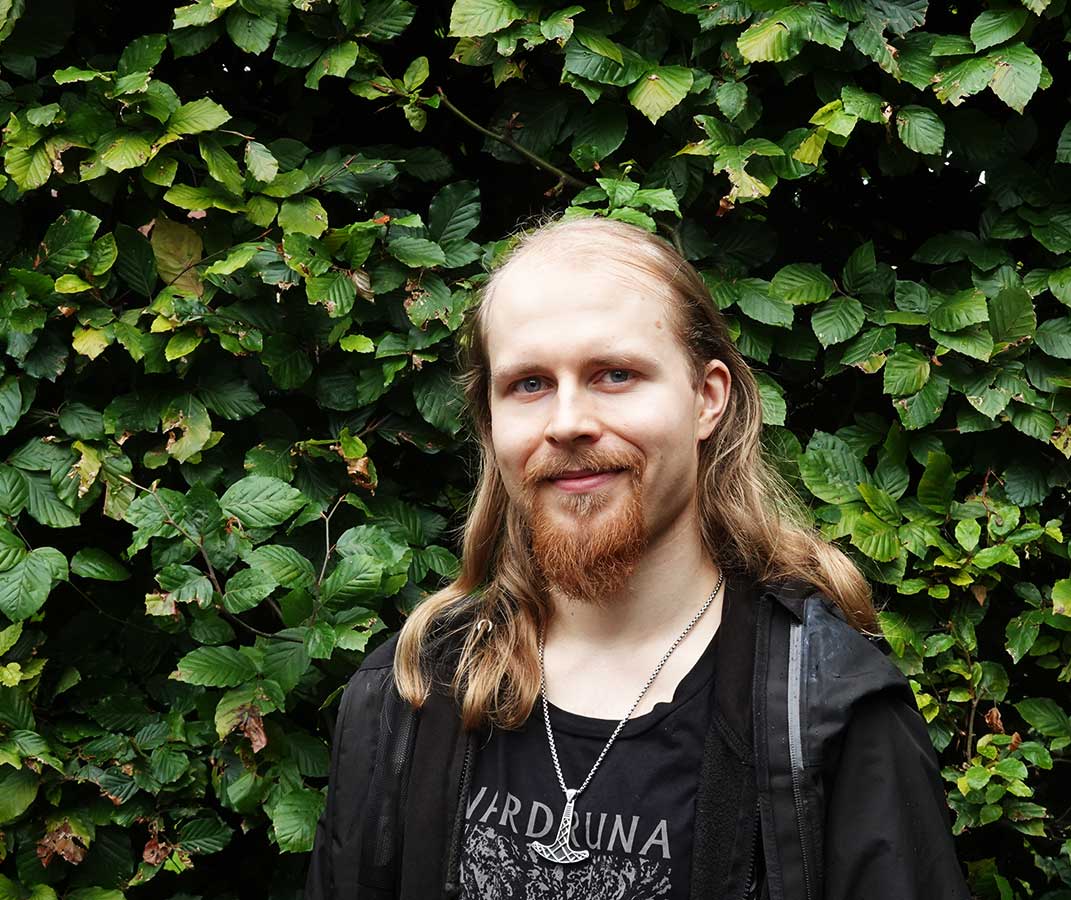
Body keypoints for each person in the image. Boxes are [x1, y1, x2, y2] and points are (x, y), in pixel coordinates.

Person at [304, 216, 971, 900]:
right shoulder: (409, 691)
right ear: (491, 424)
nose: (567, 422)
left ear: (706, 399)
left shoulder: (830, 714)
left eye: (615, 374)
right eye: (529, 384)